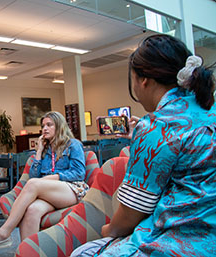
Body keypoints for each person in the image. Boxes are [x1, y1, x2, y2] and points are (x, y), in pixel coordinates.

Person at [72, 34, 216, 256]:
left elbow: (130, 216)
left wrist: (108, 229)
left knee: (82, 252)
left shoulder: (155, 126)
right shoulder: (209, 111)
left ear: (144, 80)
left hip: (180, 242)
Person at [0, 111, 88, 246]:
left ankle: (4, 232)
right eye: (43, 126)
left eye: (49, 125)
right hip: (50, 193)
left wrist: (52, 178)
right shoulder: (45, 149)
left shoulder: (73, 144)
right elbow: (34, 177)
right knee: (32, 210)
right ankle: (28, 252)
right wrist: (38, 151)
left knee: (33, 185)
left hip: (72, 189)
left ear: (59, 126)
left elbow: (79, 173)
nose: (45, 129)